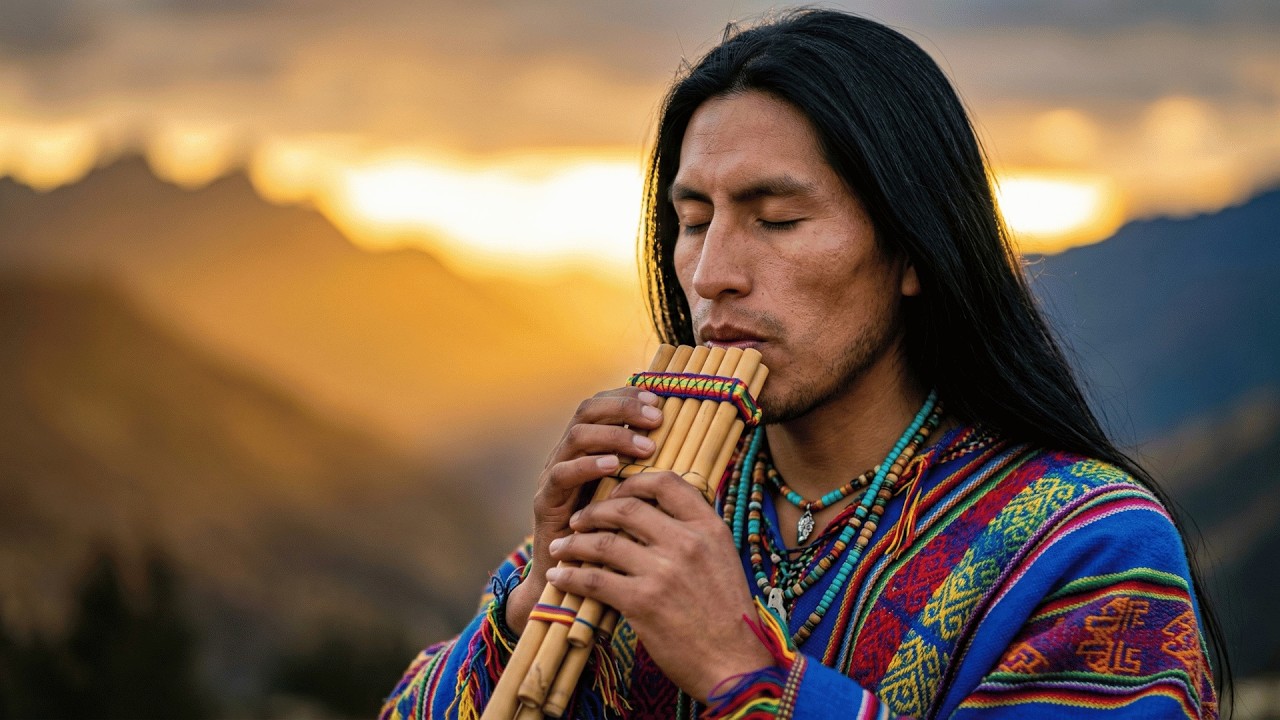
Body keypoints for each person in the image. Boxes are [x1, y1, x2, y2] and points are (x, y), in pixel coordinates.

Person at [382, 9, 1225, 719]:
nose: (712, 273)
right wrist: (531, 605)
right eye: (694, 219)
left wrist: (744, 672)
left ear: (912, 251)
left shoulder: (1093, 551)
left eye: (777, 218)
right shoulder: (647, 503)